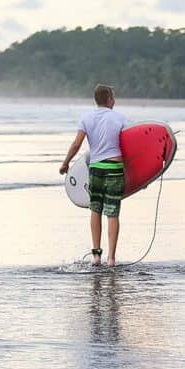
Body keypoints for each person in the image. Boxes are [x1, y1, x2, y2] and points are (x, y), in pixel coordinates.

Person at [59, 84, 130, 267]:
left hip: (95, 168)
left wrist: (66, 163)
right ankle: (111, 259)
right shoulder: (120, 118)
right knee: (112, 213)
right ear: (109, 99)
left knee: (95, 210)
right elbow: (129, 147)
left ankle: (96, 255)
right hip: (114, 167)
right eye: (113, 97)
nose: (114, 100)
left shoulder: (86, 118)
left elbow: (76, 144)